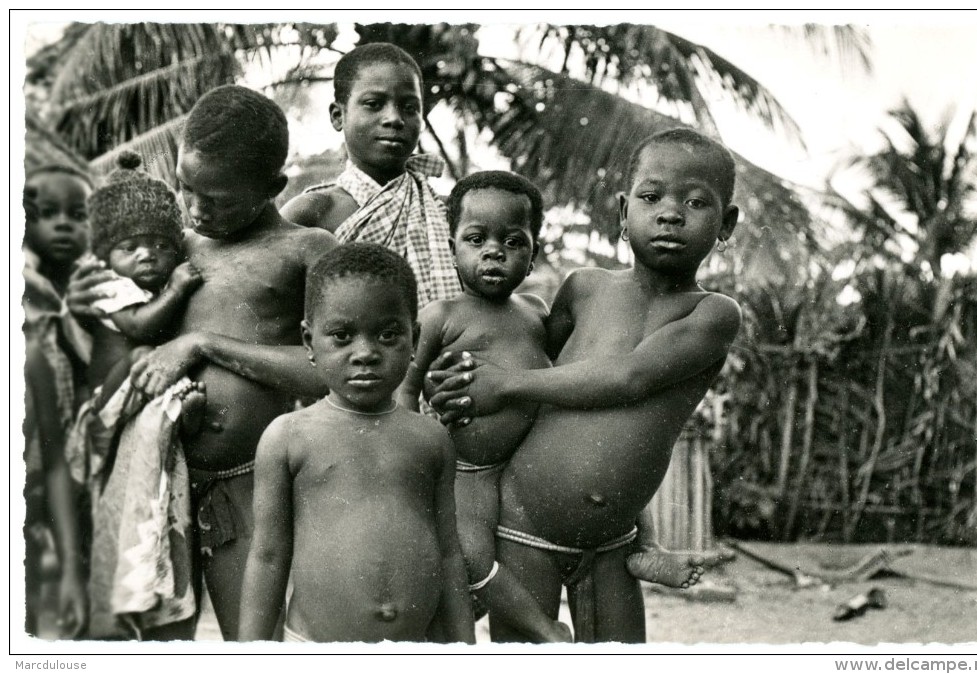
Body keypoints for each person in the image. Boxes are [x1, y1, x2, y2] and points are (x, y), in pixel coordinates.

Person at [427, 127, 741, 642]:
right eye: (651, 196)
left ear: (725, 223)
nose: (670, 213)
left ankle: (649, 548)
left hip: (612, 543)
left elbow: (629, 377)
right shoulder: (584, 288)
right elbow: (531, 360)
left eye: (695, 202)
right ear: (622, 213)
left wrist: (505, 385)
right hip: (523, 525)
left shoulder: (712, 314)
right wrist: (457, 387)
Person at [66, 85, 339, 640]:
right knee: (158, 640)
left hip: (245, 485)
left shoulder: (305, 250)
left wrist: (203, 345)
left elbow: (330, 369)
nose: (195, 210)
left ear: (273, 189)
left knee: (250, 640)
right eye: (186, 189)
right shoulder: (176, 251)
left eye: (218, 199)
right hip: (162, 478)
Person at [239, 243, 475, 643]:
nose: (365, 353)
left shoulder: (430, 438)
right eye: (342, 336)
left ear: (414, 339)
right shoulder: (288, 437)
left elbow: (450, 558)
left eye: (387, 335)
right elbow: (267, 558)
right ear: (309, 342)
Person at [397, 170, 572, 643]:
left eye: (513, 241)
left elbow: (557, 376)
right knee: (471, 558)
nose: (494, 251)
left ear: (533, 255)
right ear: (453, 249)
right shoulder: (441, 316)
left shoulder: (536, 313)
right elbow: (406, 387)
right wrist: (413, 449)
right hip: (468, 469)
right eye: (476, 239)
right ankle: (545, 629)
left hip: (524, 472)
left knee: (518, 563)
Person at [281, 42, 460, 310]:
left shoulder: (445, 210)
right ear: (338, 116)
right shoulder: (312, 212)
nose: (394, 118)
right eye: (374, 104)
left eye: (410, 107)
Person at [81, 150, 205, 425]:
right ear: (106, 255)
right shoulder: (108, 284)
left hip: (143, 391)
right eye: (129, 248)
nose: (146, 255)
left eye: (161, 245)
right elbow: (139, 327)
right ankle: (181, 405)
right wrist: (175, 290)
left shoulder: (152, 287)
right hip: (108, 395)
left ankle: (182, 415)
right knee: (141, 355)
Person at [22, 174, 92, 638]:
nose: (63, 227)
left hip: (69, 458)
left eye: (76, 215)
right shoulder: (27, 295)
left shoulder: (95, 284)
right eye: (47, 216)